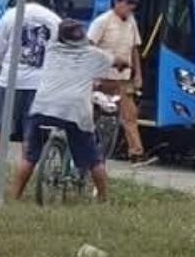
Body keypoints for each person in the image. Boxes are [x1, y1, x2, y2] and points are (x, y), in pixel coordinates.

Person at [11, 18, 128, 201]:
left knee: (29, 157)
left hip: (43, 107)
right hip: (75, 111)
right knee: (93, 159)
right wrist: (125, 64)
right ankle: (104, 199)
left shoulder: (51, 49)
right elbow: (117, 60)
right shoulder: (94, 55)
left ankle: (14, 196)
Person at [0, 0, 60, 160]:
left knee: (1, 125)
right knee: (31, 130)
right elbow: (60, 51)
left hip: (10, 81)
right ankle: (25, 165)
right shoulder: (54, 19)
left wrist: (6, 64)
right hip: (39, 84)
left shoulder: (10, 16)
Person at [87, 0, 145, 163]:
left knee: (130, 114)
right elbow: (89, 47)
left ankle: (136, 152)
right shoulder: (102, 21)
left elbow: (134, 49)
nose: (130, 8)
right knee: (94, 114)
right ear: (117, 3)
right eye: (127, 4)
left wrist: (137, 74)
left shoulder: (131, 21)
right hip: (102, 77)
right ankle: (87, 146)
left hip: (123, 79)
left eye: (132, 5)